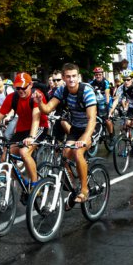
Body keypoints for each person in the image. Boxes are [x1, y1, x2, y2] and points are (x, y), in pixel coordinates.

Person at [34, 63, 97, 205]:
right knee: (64, 155)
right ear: (63, 78)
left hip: (89, 128)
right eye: (68, 77)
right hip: (75, 128)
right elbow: (47, 109)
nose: (71, 79)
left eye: (74, 76)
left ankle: (85, 190)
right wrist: (39, 102)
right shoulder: (62, 90)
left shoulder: (86, 91)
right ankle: (74, 186)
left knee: (78, 152)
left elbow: (92, 118)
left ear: (78, 77)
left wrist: (85, 138)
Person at [0, 72, 48, 190]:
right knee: (4, 159)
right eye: (18, 88)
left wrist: (31, 137)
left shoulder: (37, 95)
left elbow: (36, 119)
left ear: (31, 85)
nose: (21, 90)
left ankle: (35, 186)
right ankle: (24, 182)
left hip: (39, 127)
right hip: (22, 129)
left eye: (24, 87)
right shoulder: (12, 97)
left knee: (24, 152)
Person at [110, 71, 133, 144]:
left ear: (132, 79)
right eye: (124, 80)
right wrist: (110, 112)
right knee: (127, 123)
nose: (126, 82)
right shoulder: (121, 88)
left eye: (128, 80)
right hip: (131, 108)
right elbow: (116, 101)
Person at [90, 66, 114, 138]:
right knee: (93, 118)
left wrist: (107, 103)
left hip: (106, 102)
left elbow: (107, 92)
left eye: (99, 74)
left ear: (102, 75)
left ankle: (111, 135)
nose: (98, 76)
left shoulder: (105, 82)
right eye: (96, 74)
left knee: (107, 120)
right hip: (96, 103)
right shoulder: (91, 83)